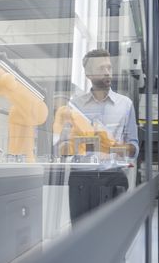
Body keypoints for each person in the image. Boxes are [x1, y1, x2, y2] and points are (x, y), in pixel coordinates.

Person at [53, 49, 139, 223]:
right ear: (88, 74)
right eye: (101, 68)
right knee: (80, 235)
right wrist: (87, 143)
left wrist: (111, 145)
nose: (107, 72)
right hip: (82, 180)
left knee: (115, 236)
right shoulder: (74, 106)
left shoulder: (125, 105)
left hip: (114, 176)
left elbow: (134, 148)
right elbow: (60, 149)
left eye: (109, 67)